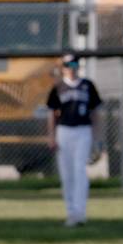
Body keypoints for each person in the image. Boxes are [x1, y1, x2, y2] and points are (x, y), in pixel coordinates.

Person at [46, 54, 103, 227]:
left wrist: (97, 137)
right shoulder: (58, 87)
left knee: (80, 171)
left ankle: (80, 212)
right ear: (62, 67)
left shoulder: (87, 85)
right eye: (67, 64)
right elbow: (52, 114)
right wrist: (51, 135)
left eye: (74, 63)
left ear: (78, 65)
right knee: (67, 174)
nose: (71, 67)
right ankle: (71, 212)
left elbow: (96, 113)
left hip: (83, 131)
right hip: (64, 132)